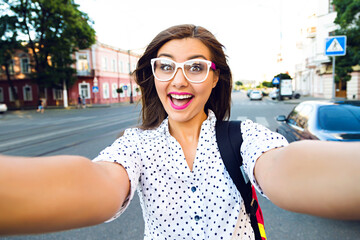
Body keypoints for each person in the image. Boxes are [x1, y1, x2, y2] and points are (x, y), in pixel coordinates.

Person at [0, 24, 359, 239]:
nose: (179, 79)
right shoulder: (136, 145)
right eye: (166, 66)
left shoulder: (245, 136)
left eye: (196, 67)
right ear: (153, 75)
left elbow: (287, 169)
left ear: (215, 76)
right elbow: (96, 184)